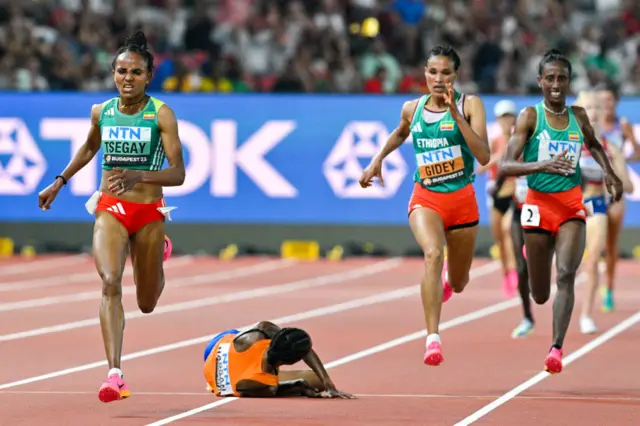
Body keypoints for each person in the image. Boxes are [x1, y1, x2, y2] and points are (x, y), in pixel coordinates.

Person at [37, 31, 185, 402]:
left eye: (135, 72)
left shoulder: (161, 114)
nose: (127, 78)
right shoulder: (101, 112)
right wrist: (60, 181)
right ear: (113, 74)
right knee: (110, 281)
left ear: (148, 76)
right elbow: (89, 147)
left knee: (147, 302)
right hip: (110, 208)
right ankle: (115, 374)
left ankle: (159, 251)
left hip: (149, 211)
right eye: (121, 71)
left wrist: (140, 176)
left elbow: (178, 173)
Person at [359, 45, 491, 366]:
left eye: (446, 73)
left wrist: (456, 116)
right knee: (433, 253)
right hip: (426, 197)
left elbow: (484, 155)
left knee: (459, 283)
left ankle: (448, 281)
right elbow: (401, 132)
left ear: (456, 75)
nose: (439, 78)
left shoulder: (470, 104)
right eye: (433, 72)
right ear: (425, 74)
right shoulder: (412, 108)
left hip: (462, 203)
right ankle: (433, 338)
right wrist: (378, 159)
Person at [499, 49, 623, 374]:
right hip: (538, 205)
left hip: (570, 204)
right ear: (540, 81)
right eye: (550, 78)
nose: (556, 84)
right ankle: (533, 254)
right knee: (539, 294)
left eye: (562, 78)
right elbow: (506, 165)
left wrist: (609, 173)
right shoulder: (529, 116)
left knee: (566, 274)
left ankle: (556, 348)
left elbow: (594, 145)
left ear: (568, 82)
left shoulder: (578, 116)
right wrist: (542, 164)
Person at [575, 90, 634, 334]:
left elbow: (628, 186)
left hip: (596, 205)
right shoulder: (569, 142)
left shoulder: (610, 147)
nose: (595, 112)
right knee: (568, 266)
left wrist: (613, 173)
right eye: (589, 107)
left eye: (598, 107)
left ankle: (586, 314)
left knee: (592, 261)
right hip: (568, 207)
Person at [203, 321, 355, 399]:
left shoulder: (261, 331)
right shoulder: (266, 386)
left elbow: (299, 344)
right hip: (213, 365)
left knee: (318, 381)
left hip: (218, 348)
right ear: (291, 362)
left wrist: (327, 382)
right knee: (311, 383)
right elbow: (252, 389)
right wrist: (297, 386)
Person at [597, 82, 640, 312]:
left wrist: (622, 162)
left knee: (610, 244)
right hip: (595, 187)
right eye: (603, 101)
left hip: (615, 191)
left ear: (616, 102)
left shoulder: (622, 125)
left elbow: (637, 154)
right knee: (592, 240)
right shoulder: (593, 126)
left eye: (610, 100)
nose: (606, 105)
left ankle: (609, 289)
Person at [477, 100, 519, 298]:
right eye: (503, 117)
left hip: (514, 193)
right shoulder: (495, 142)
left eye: (510, 117)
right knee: (499, 240)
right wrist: (498, 157)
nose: (507, 121)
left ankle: (514, 269)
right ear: (498, 120)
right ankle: (506, 275)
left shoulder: (520, 141)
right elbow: (480, 168)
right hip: (495, 194)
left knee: (508, 229)